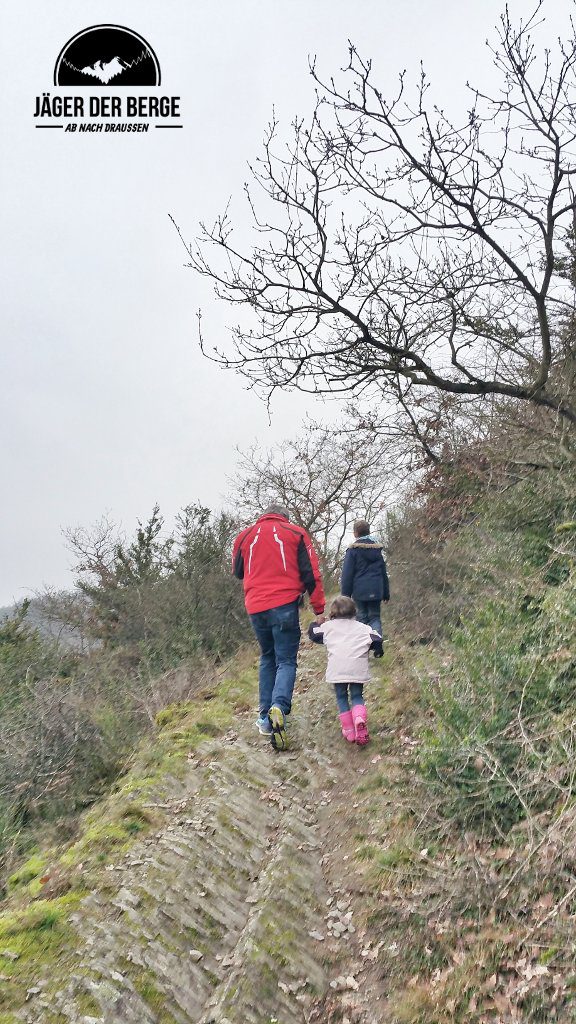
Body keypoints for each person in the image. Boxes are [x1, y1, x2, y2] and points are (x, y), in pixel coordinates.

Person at [232, 504, 325, 750]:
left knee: (267, 657)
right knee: (285, 660)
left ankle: (265, 718)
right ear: (285, 517)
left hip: (255, 607)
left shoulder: (244, 536)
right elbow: (311, 574)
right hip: (284, 604)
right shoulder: (296, 533)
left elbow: (238, 571)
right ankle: (279, 707)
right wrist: (319, 610)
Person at [308, 596, 383, 745]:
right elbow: (377, 638)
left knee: (341, 697)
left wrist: (315, 623)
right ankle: (359, 718)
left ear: (333, 613)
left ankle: (349, 730)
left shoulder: (328, 627)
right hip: (357, 668)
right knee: (356, 696)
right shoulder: (363, 628)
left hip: (337, 669)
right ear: (354, 611)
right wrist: (377, 650)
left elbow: (313, 634)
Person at [340, 519, 390, 636]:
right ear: (369, 531)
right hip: (376, 589)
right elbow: (383, 573)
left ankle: (363, 646)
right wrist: (386, 593)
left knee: (361, 618)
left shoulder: (352, 551)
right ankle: (377, 643)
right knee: (375, 618)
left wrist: (345, 596)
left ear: (355, 533)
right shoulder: (377, 551)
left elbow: (347, 574)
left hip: (360, 591)